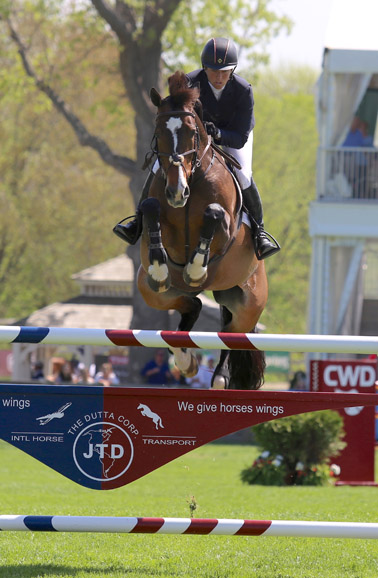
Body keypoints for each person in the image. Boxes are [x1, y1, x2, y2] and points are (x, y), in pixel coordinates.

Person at [113, 37, 280, 261]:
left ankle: (259, 232)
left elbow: (240, 137)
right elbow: (175, 118)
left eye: (225, 72)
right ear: (204, 68)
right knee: (156, 166)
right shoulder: (190, 83)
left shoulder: (243, 90)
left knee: (243, 175)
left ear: (233, 70)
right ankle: (137, 221)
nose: (219, 77)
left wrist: (218, 134)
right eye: (213, 71)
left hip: (234, 136)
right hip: (196, 138)